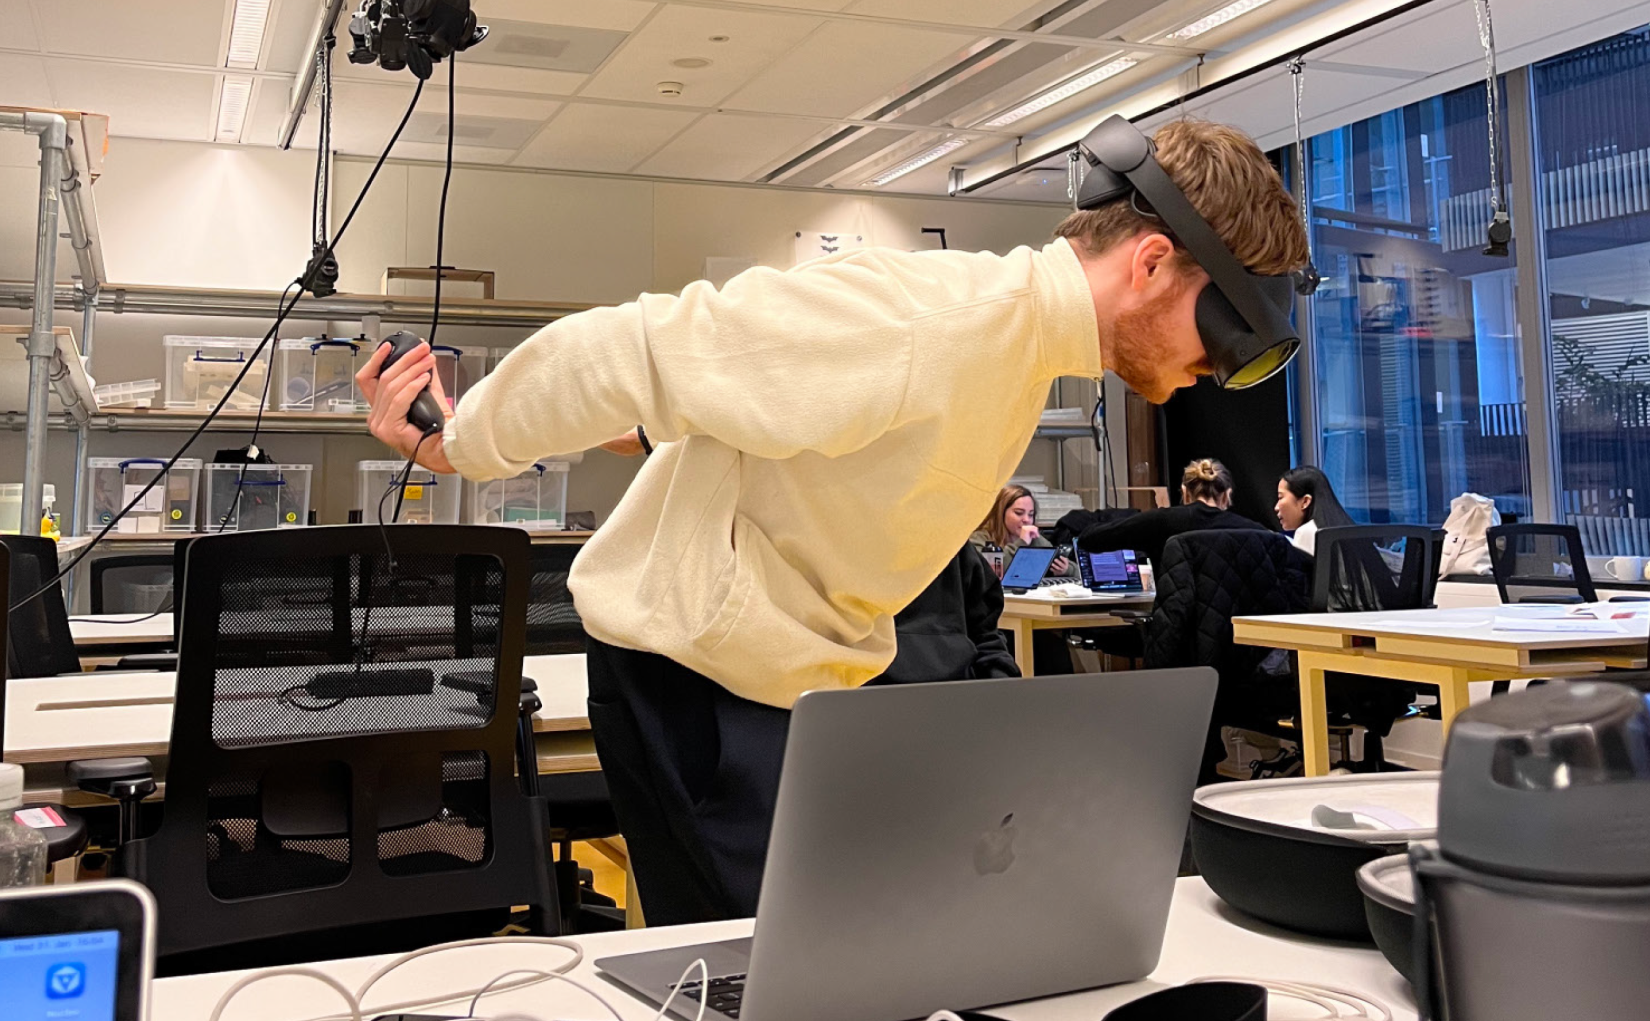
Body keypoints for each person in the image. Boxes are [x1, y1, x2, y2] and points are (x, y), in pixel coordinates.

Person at [357, 118, 1309, 922]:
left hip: (783, 682)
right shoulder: (940, 319)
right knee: (779, 973)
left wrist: (638, 429)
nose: (1215, 375)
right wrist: (465, 440)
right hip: (696, 677)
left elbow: (742, 414)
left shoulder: (1021, 348)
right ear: (1150, 262)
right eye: (1221, 338)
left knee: (808, 965)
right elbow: (638, 347)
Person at [1078, 458, 1269, 565]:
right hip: (1237, 629)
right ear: (1227, 495)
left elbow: (1089, 540)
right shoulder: (1256, 531)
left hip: (1177, 624)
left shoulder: (1161, 521)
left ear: (1185, 493)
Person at [969, 484, 1076, 578]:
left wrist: (1067, 569)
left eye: (1030, 514)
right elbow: (993, 572)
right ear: (1001, 513)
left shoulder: (1034, 539)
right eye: (1019, 513)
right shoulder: (979, 538)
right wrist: (1021, 543)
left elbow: (1078, 571)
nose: (1026, 520)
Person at [1274, 465, 1354, 555]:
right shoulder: (1349, 529)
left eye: (1280, 497)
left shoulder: (1306, 532)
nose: (1276, 507)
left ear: (1305, 502)